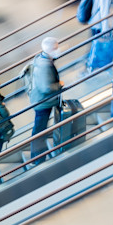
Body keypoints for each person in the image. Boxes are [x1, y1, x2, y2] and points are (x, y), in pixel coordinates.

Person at [27, 37, 63, 165]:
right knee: (40, 130)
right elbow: (46, 87)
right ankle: (38, 159)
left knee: (39, 129)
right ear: (52, 49)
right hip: (43, 102)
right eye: (56, 47)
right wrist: (59, 85)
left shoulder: (41, 58)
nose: (58, 49)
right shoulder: (45, 65)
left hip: (40, 100)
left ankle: (36, 157)